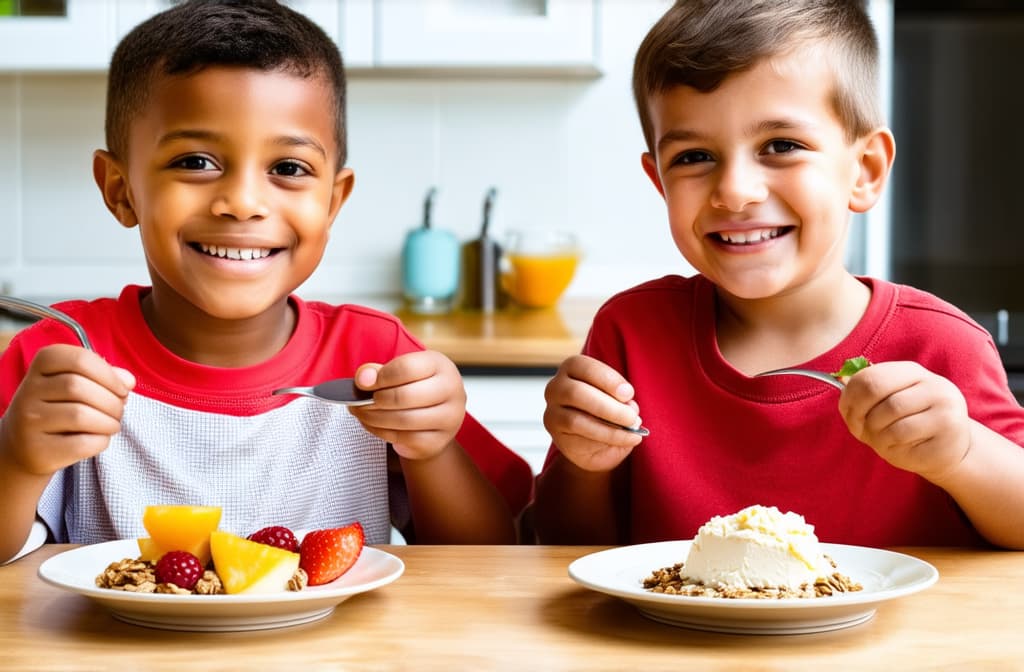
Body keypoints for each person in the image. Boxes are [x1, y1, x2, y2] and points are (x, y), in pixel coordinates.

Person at [0, 0, 532, 564]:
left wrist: (432, 450)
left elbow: (494, 557)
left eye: (289, 169)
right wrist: (14, 455)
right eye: (196, 162)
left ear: (334, 200)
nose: (244, 204)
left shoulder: (374, 358)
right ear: (119, 190)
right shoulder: (57, 356)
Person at [532, 0, 1024, 549]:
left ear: (864, 171)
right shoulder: (632, 334)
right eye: (694, 157)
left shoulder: (940, 345)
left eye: (781, 146)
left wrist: (962, 454)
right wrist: (581, 465)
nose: (736, 191)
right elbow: (557, 547)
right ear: (659, 181)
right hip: (674, 637)